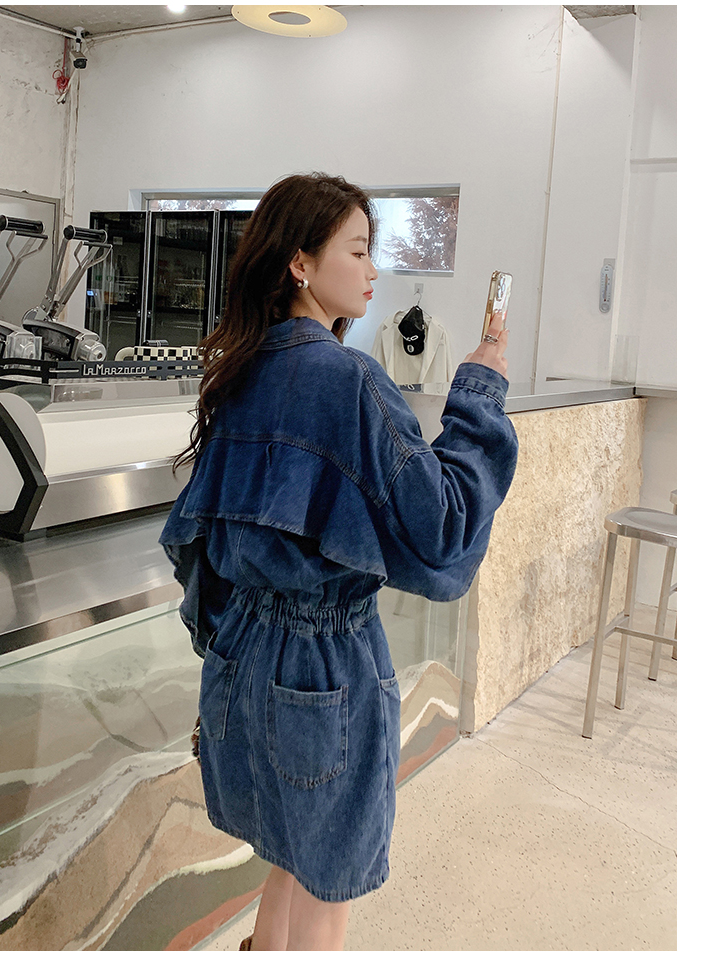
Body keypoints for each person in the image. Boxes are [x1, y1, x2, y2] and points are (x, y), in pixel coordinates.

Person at [160, 172, 518, 950]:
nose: (372, 269)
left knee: (292, 851)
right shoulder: (348, 379)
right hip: (324, 669)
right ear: (300, 262)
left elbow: (198, 546)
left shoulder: (239, 370)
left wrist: (229, 648)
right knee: (332, 877)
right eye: (357, 250)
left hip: (239, 658)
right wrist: (482, 385)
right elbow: (444, 529)